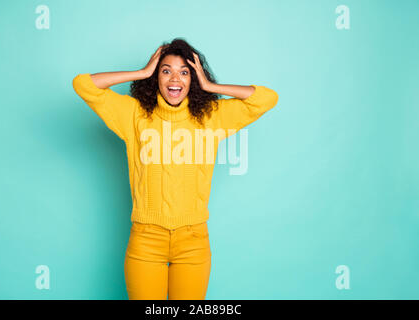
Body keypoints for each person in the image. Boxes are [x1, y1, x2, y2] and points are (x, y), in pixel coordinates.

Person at [72, 38, 279, 300]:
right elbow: (84, 84)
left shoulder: (210, 117)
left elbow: (267, 98)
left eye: (184, 72)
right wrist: (141, 72)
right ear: (155, 77)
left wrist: (211, 86)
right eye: (166, 70)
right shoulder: (134, 115)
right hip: (145, 241)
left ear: (193, 79)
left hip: (193, 242)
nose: (175, 79)